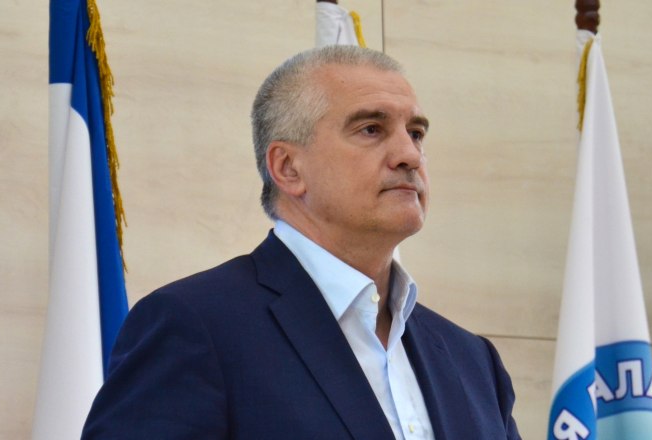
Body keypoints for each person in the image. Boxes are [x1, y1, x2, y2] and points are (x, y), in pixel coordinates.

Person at [82, 45, 521, 440]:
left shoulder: (473, 361)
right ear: (288, 168)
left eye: (417, 133)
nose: (409, 154)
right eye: (371, 129)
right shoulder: (195, 326)